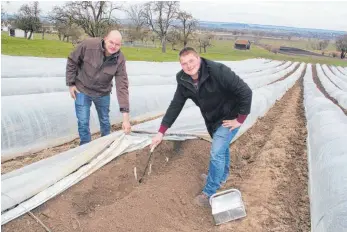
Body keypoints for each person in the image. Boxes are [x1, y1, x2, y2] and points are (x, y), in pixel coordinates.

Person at [150, 47, 252, 207]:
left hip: (231, 116)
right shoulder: (183, 79)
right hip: (213, 119)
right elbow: (176, 105)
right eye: (184, 63)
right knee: (222, 148)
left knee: (216, 152)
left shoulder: (217, 71)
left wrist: (239, 120)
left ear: (199, 58)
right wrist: (161, 132)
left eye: (191, 60)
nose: (189, 66)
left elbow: (246, 92)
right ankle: (221, 176)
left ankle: (209, 192)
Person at [66, 30, 131, 145]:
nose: (113, 46)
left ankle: (105, 145)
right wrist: (71, 84)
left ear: (121, 45)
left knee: (105, 121)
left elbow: (122, 86)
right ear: (105, 38)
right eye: (111, 42)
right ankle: (85, 147)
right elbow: (72, 60)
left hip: (102, 93)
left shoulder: (119, 59)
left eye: (117, 44)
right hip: (82, 89)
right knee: (83, 121)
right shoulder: (89, 45)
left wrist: (125, 118)